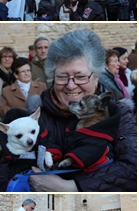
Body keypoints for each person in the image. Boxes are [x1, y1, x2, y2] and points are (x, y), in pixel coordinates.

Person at [27, 30, 136, 192]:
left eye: (80, 76)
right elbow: (11, 170)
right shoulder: (35, 116)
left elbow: (133, 168)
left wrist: (72, 186)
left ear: (97, 76)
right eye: (62, 76)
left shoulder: (118, 113)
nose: (71, 85)